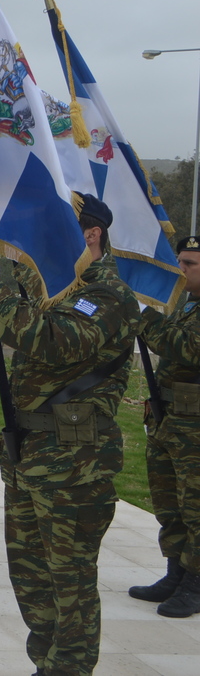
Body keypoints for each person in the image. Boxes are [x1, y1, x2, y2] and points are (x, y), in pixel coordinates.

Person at [0, 193, 137, 673]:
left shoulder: (108, 296)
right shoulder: (54, 287)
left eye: (50, 230)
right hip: (30, 453)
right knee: (32, 579)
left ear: (91, 235)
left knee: (70, 582)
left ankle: (69, 668)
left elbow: (51, 339)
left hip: (74, 464)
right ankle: (47, 662)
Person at [132, 233, 200, 619]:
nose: (180, 270)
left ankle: (196, 581)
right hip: (169, 419)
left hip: (195, 426)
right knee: (169, 501)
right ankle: (175, 570)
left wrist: (144, 314)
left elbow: (187, 348)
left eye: (189, 264)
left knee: (197, 505)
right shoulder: (187, 307)